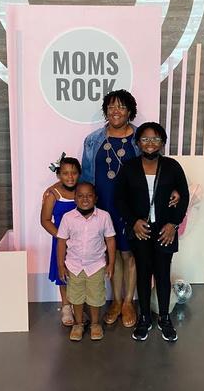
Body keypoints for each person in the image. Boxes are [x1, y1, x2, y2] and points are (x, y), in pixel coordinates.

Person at [82, 89, 179, 329]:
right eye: (111, 106)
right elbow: (86, 177)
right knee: (112, 253)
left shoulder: (141, 138)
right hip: (104, 206)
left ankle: (128, 302)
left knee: (131, 254)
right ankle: (115, 301)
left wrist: (175, 190)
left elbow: (161, 169)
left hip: (133, 210)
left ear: (130, 112)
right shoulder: (93, 140)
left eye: (121, 107)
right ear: (106, 111)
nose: (116, 111)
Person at [115, 122, 189, 342]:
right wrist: (133, 222)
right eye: (145, 139)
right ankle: (145, 318)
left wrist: (173, 224)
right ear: (138, 143)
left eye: (155, 139)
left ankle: (164, 318)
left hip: (165, 229)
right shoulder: (129, 168)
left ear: (162, 143)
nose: (150, 143)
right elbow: (119, 199)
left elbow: (184, 195)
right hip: (141, 230)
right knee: (143, 274)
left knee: (163, 274)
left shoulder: (172, 166)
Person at [57, 182, 116, 341]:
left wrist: (111, 263)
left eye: (89, 196)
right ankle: (78, 324)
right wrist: (61, 265)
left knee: (95, 296)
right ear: (75, 199)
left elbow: (110, 240)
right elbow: (61, 242)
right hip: (74, 266)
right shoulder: (68, 218)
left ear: (95, 198)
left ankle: (95, 324)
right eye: (81, 196)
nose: (85, 199)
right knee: (76, 297)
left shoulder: (104, 217)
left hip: (96, 265)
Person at [40, 156, 81, 326]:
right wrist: (62, 236)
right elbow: (45, 220)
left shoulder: (83, 191)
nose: (70, 177)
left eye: (74, 173)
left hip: (82, 242)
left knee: (80, 272)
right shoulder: (53, 194)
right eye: (65, 173)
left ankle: (80, 306)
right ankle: (66, 306)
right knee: (63, 273)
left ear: (79, 174)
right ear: (58, 175)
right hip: (62, 241)